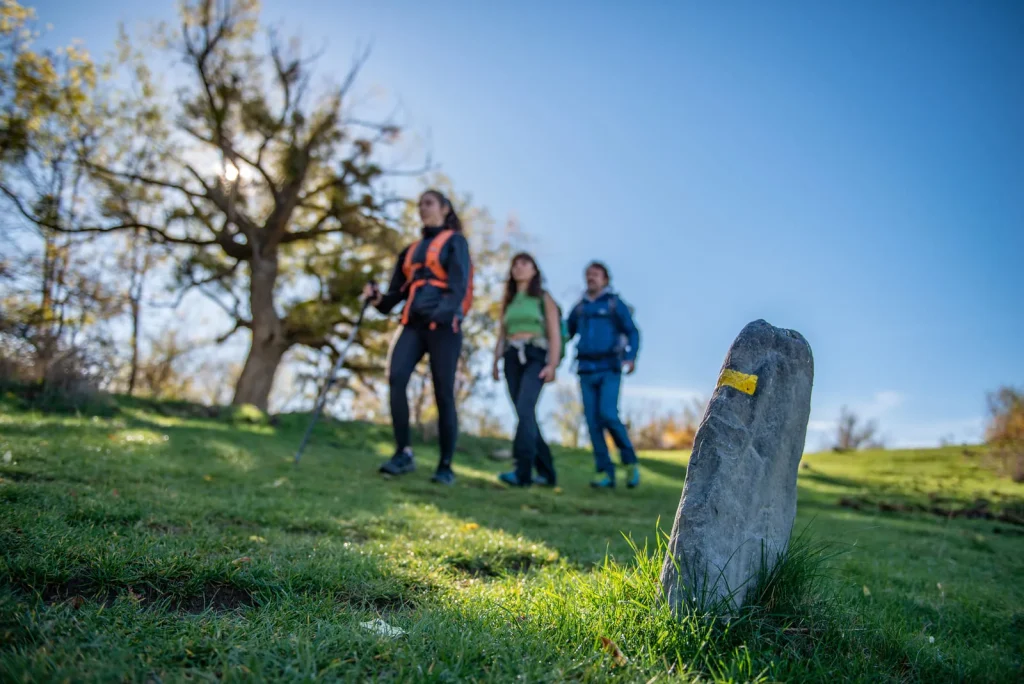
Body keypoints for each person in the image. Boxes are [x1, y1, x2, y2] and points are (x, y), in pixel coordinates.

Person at [362, 190, 472, 486]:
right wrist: (375, 298)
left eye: (428, 203)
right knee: (396, 377)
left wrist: (441, 315)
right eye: (419, 204)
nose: (422, 208)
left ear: (445, 209)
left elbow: (459, 286)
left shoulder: (455, 243)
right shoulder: (409, 252)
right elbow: (392, 299)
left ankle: (445, 465)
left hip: (443, 326)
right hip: (411, 324)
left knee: (443, 392)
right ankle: (403, 453)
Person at [567, 261, 641, 489]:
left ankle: (629, 462)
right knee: (592, 422)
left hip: (610, 367)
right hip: (585, 370)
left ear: (605, 279)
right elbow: (565, 332)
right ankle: (605, 472)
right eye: (588, 274)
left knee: (608, 414)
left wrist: (631, 356)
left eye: (596, 275)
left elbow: (632, 331)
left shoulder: (613, 304)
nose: (591, 278)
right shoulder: (579, 308)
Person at [491, 253, 562, 488]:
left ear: (534, 270)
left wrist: (552, 364)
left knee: (525, 408)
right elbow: (502, 333)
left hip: (535, 356)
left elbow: (554, 334)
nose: (518, 268)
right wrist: (495, 361)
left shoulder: (543, 297)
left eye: (524, 263)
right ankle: (548, 473)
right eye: (515, 264)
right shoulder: (508, 301)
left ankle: (521, 472)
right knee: (525, 414)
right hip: (511, 357)